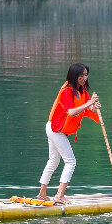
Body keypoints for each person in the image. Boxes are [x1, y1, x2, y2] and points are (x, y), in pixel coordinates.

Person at [38, 63, 102, 205]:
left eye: (86, 75)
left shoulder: (82, 89)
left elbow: (89, 107)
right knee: (70, 161)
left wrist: (95, 106)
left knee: (53, 161)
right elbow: (71, 112)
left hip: (57, 129)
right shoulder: (67, 91)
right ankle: (59, 196)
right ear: (75, 76)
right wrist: (88, 103)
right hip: (55, 128)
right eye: (82, 75)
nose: (84, 78)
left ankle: (42, 194)